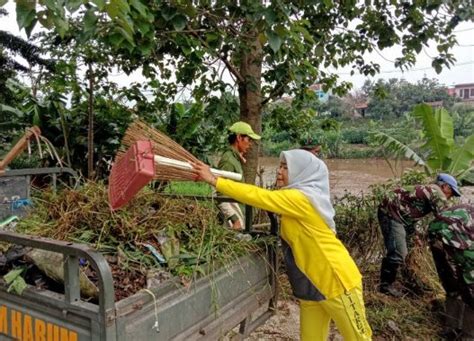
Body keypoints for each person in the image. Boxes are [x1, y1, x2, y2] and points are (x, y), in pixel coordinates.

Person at [192, 149, 372, 340]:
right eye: (280, 166)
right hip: (312, 286)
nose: (279, 171)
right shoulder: (295, 199)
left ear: (302, 172)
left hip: (337, 282)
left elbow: (260, 197)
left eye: (286, 168)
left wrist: (214, 180)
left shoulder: (301, 199)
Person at [378, 173, 461, 297]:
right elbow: (446, 218)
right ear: (445, 186)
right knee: (399, 253)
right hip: (391, 214)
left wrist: (414, 235)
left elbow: (408, 214)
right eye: (452, 193)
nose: (450, 197)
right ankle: (385, 286)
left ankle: (408, 280)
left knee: (410, 249)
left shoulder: (428, 191)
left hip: (397, 215)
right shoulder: (436, 191)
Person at [428, 204, 474, 339]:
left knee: (451, 281)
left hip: (434, 231)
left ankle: (451, 329)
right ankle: (468, 336)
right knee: (471, 288)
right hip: (455, 235)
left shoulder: (468, 209)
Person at [216, 121, 261, 230]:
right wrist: (234, 219)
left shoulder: (235, 158)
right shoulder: (228, 160)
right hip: (233, 217)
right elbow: (219, 193)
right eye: (248, 140)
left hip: (240, 211)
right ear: (239, 138)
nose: (250, 144)